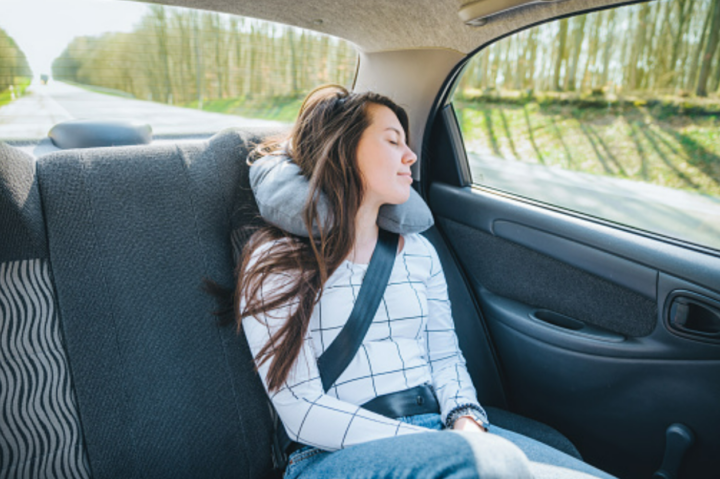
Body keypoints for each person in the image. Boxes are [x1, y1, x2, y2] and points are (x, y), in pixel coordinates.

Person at [235, 84, 615, 479]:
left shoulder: (419, 252)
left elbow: (445, 359)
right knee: (485, 465)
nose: (411, 155)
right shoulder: (277, 262)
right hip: (329, 454)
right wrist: (440, 444)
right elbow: (301, 410)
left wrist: (466, 421)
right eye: (392, 140)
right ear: (344, 148)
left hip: (439, 433)